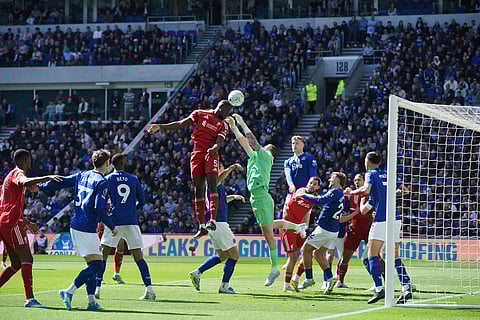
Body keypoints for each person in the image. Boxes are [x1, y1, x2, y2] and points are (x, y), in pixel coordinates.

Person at [225, 114, 305, 286]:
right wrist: (232, 127)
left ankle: (274, 267)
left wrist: (242, 122)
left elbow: (251, 140)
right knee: (269, 227)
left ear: (269, 152)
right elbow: (243, 142)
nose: (261, 147)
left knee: (268, 234)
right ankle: (297, 227)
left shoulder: (266, 157)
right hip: (256, 196)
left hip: (261, 195)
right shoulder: (254, 158)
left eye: (265, 146)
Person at [38, 149, 119, 311]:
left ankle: (91, 301)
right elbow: (99, 209)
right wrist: (112, 226)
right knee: (97, 265)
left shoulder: (82, 174)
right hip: (86, 227)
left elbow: (62, 181)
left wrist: (41, 187)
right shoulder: (102, 182)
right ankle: (69, 291)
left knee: (93, 263)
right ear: (107, 163)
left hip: (76, 224)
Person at [147, 100, 232, 239]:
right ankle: (202, 226)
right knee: (197, 188)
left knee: (212, 184)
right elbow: (181, 124)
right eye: (226, 111)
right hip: (197, 153)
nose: (227, 114)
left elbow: (219, 141)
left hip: (211, 154)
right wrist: (160, 127)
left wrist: (215, 148)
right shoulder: (200, 114)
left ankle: (213, 220)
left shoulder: (223, 125)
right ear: (220, 108)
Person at [346, 152, 413, 304]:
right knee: (393, 255)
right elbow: (405, 191)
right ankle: (406, 286)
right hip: (395, 219)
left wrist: (352, 192)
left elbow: (366, 189)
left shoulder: (371, 173)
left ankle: (379, 289)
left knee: (371, 254)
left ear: (367, 161)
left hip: (382, 219)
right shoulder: (388, 174)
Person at [0, 149, 62, 308]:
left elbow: (7, 206)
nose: (30, 163)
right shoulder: (17, 173)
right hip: (12, 224)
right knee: (27, 259)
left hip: (7, 222)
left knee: (15, 264)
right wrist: (47, 176)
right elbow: (24, 181)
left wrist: (26, 222)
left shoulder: (8, 178)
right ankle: (30, 299)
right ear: (26, 160)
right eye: (29, 160)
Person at [95, 153, 156, 300]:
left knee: (103, 255)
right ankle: (150, 290)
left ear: (113, 164)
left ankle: (97, 289)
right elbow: (142, 201)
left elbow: (102, 202)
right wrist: (130, 208)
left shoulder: (108, 179)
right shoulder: (133, 179)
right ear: (123, 163)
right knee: (139, 257)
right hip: (131, 220)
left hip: (114, 220)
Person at [189, 162, 244, 294]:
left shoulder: (213, 187)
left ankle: (197, 272)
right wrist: (231, 168)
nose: (221, 170)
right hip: (219, 223)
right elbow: (219, 178)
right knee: (234, 256)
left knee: (222, 255)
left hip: (213, 225)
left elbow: (222, 200)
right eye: (220, 168)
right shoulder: (213, 181)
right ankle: (224, 285)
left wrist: (233, 197)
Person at [295, 172, 347, 295]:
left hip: (324, 228)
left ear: (338, 180)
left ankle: (309, 278)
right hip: (333, 230)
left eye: (332, 177)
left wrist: (304, 195)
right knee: (318, 254)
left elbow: (321, 200)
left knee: (305, 250)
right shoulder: (340, 194)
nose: (329, 179)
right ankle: (329, 279)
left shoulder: (335, 191)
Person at [281, 176, 321, 292]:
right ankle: (286, 285)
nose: (311, 185)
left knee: (308, 252)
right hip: (288, 227)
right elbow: (299, 195)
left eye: (314, 184)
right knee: (293, 257)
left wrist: (305, 227)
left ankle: (296, 278)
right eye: (310, 183)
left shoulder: (314, 199)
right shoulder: (301, 191)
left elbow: (307, 213)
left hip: (299, 228)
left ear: (318, 187)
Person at [336, 173, 375, 288]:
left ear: (365, 181)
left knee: (373, 257)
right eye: (355, 180)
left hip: (369, 229)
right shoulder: (351, 195)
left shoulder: (371, 194)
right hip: (354, 230)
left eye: (359, 180)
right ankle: (340, 281)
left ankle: (378, 282)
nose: (356, 182)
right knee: (345, 256)